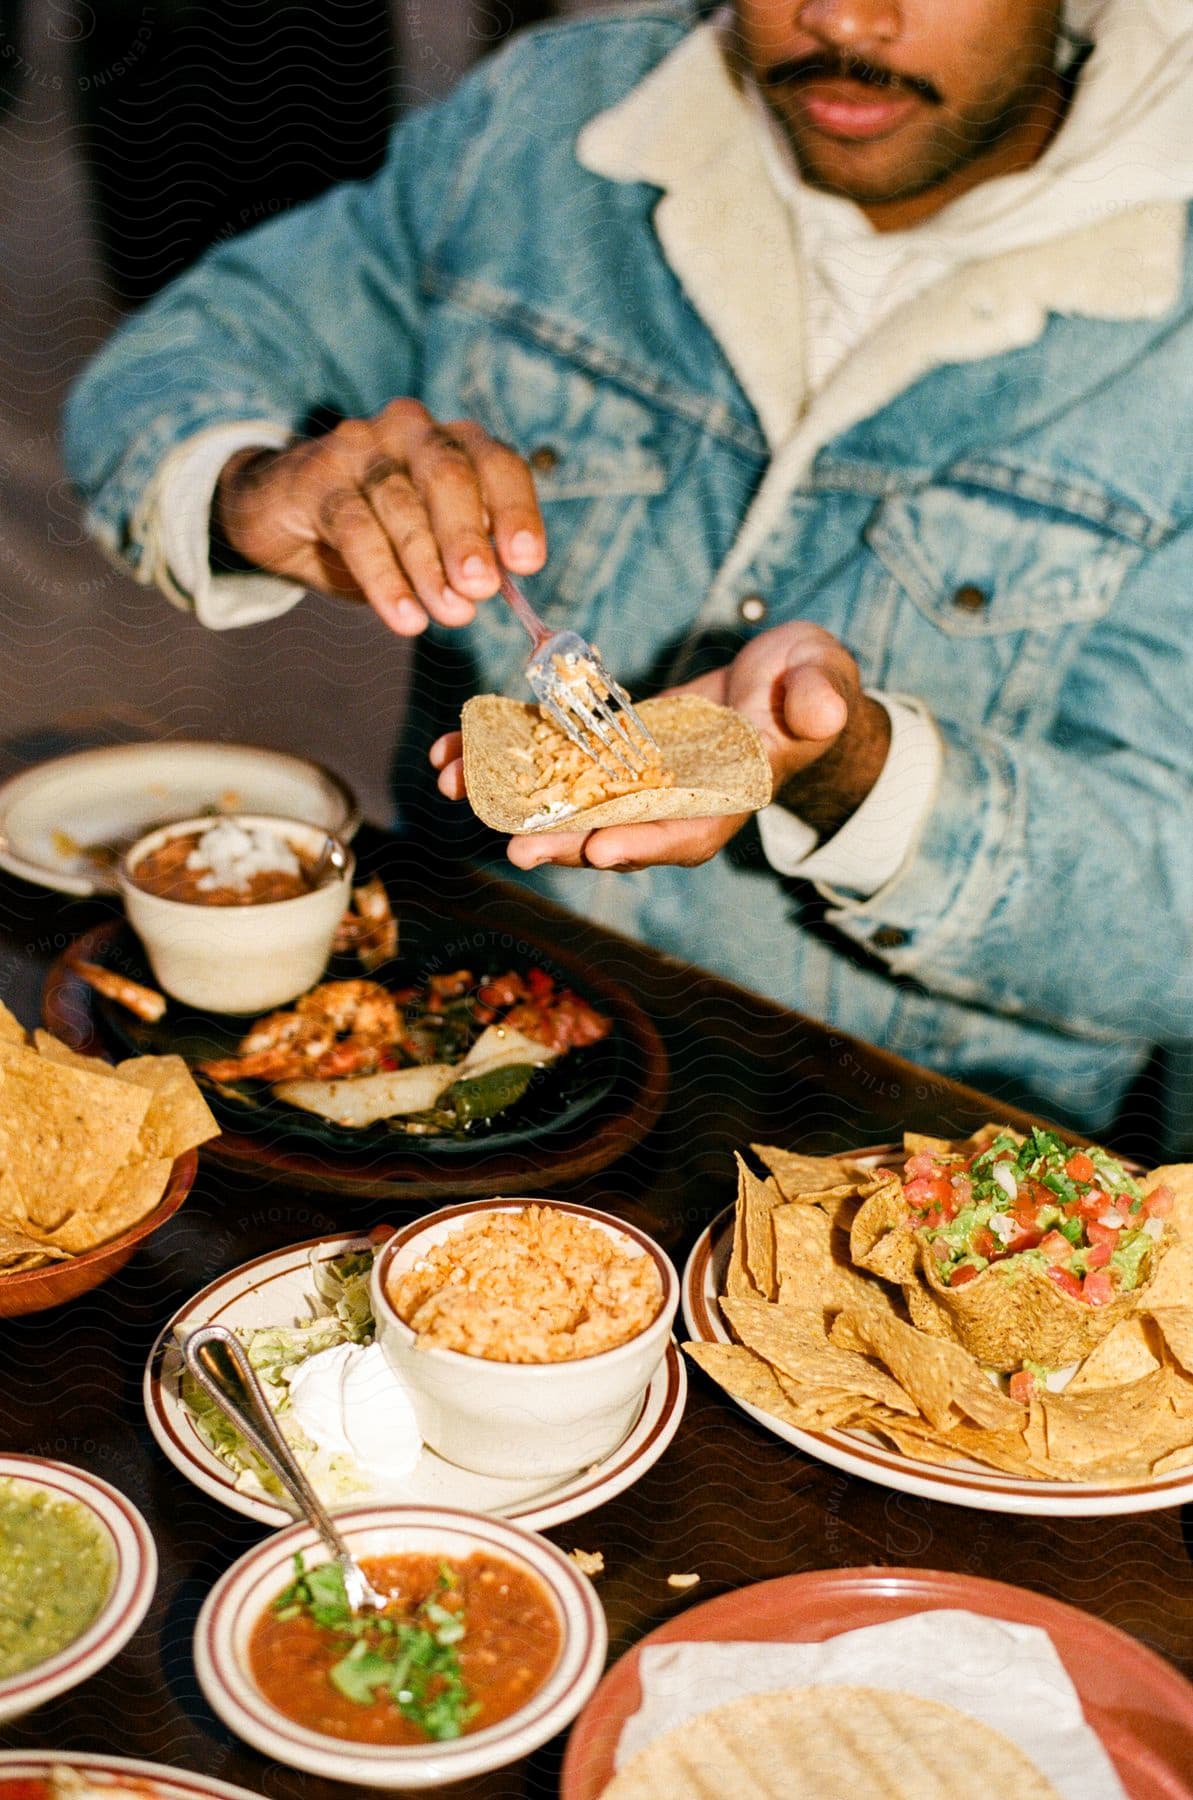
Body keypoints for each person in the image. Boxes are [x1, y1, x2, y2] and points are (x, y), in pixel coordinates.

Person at [63, 0, 1193, 1138]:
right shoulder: (554, 117)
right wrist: (245, 485)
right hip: (445, 1067)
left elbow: (1169, 929)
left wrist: (857, 775)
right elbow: (180, 354)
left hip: (884, 1157)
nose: (842, 18)